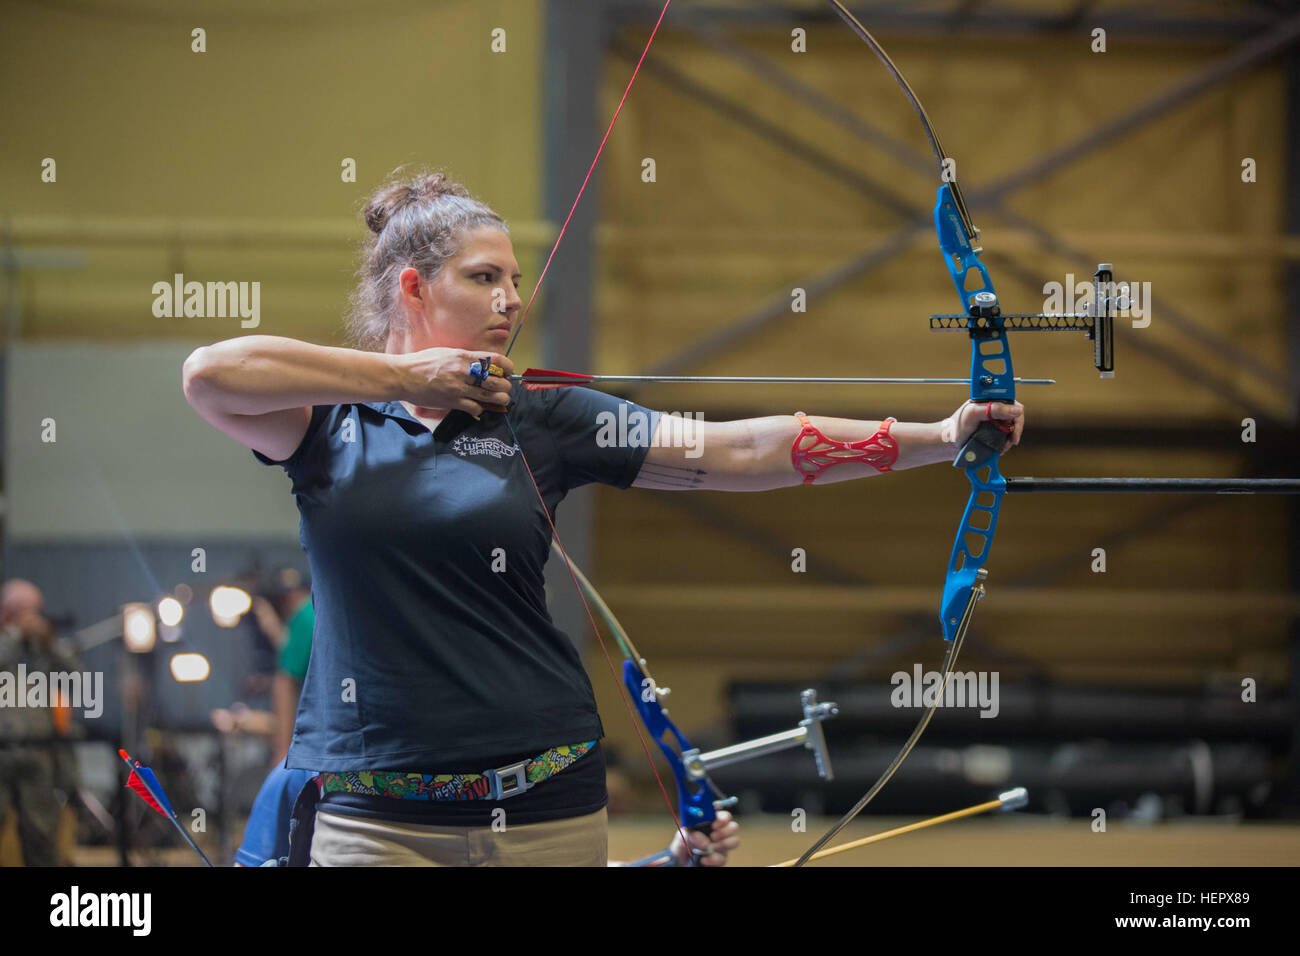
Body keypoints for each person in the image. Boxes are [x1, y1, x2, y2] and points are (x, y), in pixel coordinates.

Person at [181, 167, 1023, 866]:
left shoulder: (544, 417)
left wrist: (938, 436)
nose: (512, 299)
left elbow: (736, 449)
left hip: (550, 798)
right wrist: (408, 380)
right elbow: (209, 373)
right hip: (376, 815)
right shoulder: (329, 421)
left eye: (515, 280)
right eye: (484, 278)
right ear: (413, 287)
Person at [0, 579, 80, 866]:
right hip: (2, 751)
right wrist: (13, 635)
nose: (31, 617)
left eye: (36, 611)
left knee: (42, 835)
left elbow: (75, 675)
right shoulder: (8, 642)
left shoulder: (43, 648)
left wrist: (49, 643)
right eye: (23, 610)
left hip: (39, 753)